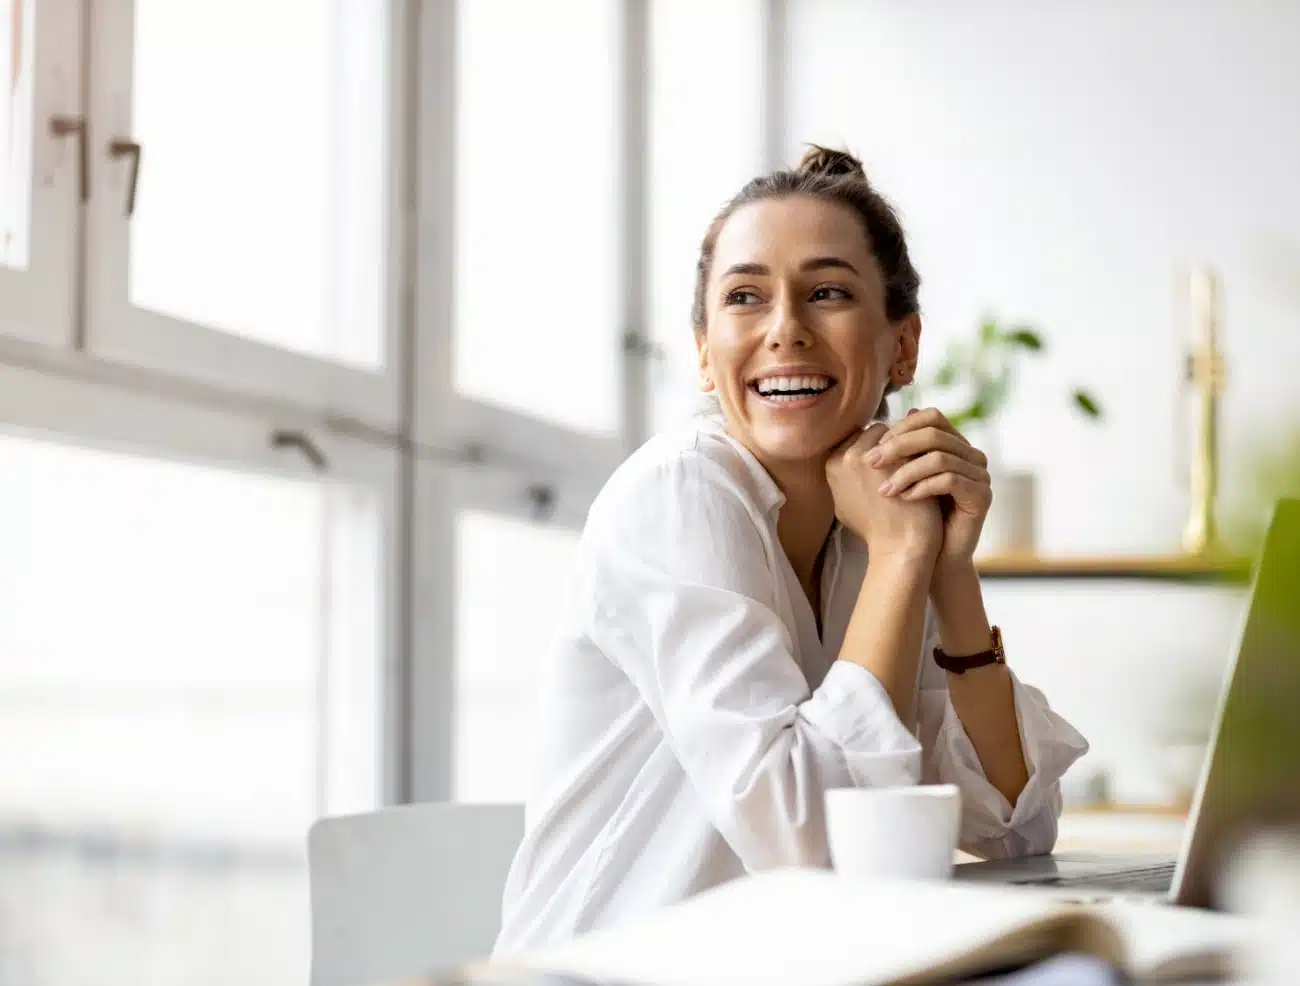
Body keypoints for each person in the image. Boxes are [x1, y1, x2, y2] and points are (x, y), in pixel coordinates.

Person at [492, 146, 1088, 956]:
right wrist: (903, 562)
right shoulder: (680, 494)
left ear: (903, 346)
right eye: (745, 297)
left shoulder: (872, 529)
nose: (785, 331)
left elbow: (1016, 829)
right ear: (705, 351)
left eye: (828, 292)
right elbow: (811, 845)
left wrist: (947, 569)